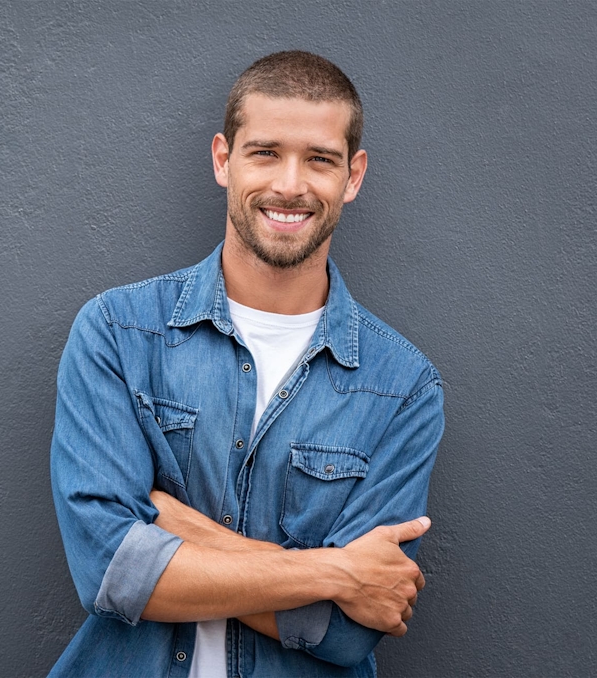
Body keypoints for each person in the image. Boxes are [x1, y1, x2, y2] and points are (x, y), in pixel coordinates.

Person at [49, 50, 444, 677]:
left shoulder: (402, 387)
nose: (290, 184)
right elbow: (110, 572)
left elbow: (345, 632)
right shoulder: (117, 333)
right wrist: (337, 571)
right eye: (265, 152)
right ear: (222, 160)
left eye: (320, 159)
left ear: (354, 175)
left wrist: (174, 528)